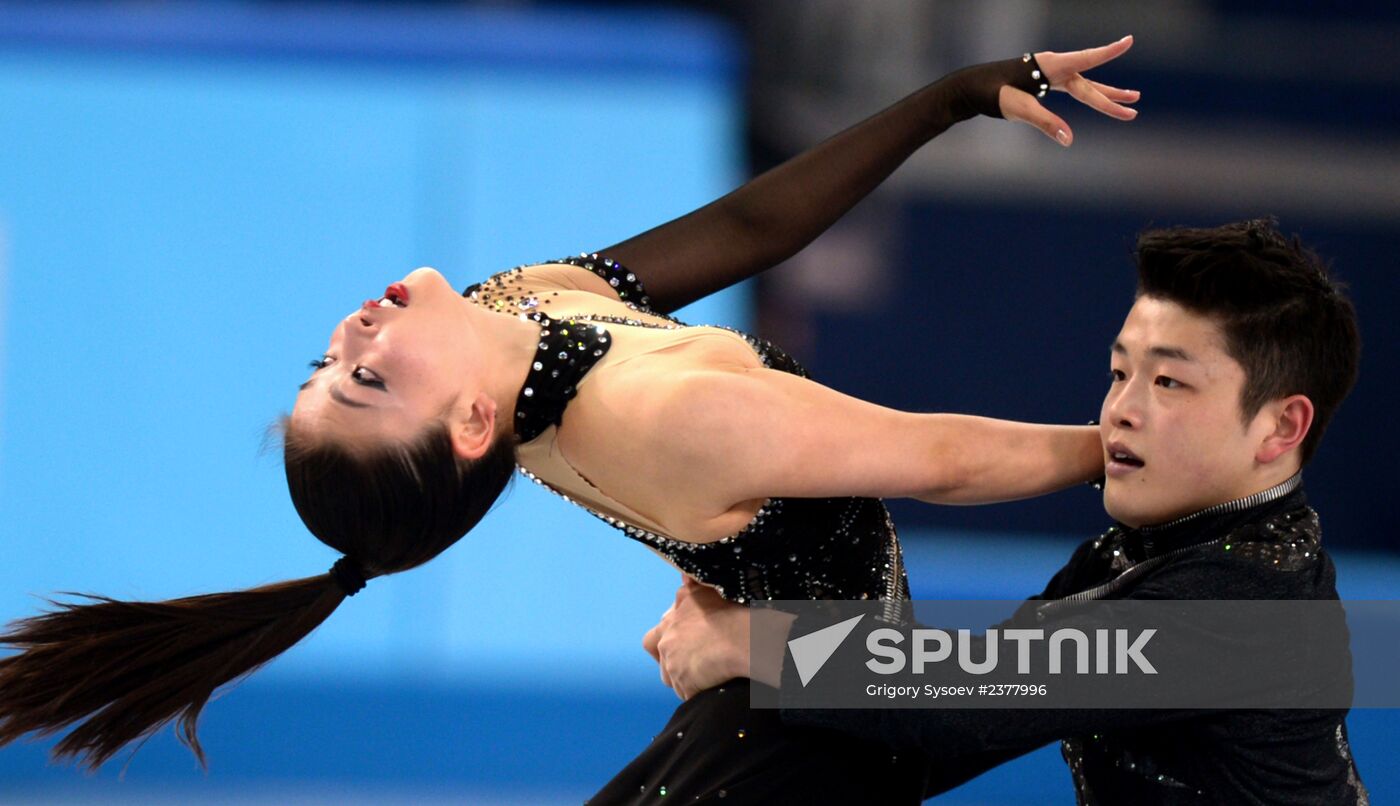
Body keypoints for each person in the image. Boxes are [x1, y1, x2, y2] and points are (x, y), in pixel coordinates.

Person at [0, 37, 1139, 799]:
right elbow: (944, 459)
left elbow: (745, 227)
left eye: (325, 360)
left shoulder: (514, 314)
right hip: (820, 729)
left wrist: (948, 95)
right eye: (365, 379)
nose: (350, 332)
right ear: (467, 424)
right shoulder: (665, 414)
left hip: (791, 685)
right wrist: (1141, 450)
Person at [643, 218, 1368, 804]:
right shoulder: (1137, 555)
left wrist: (752, 644)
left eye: (1170, 383)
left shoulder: (1252, 602)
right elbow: (937, 727)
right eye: (1120, 372)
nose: (1122, 412)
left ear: (1281, 428)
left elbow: (970, 698)